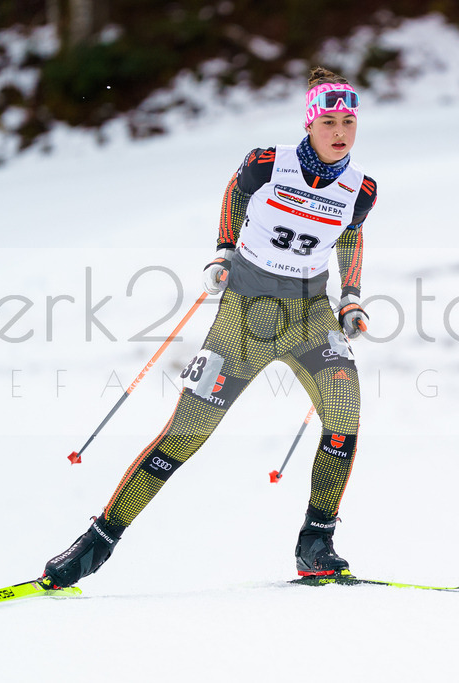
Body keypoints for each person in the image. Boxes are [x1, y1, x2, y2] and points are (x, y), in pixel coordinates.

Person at [42, 66, 377, 586]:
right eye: (329, 120)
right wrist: (223, 249)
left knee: (346, 410)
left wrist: (351, 298)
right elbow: (235, 195)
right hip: (244, 314)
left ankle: (316, 543)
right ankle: (98, 541)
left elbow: (351, 237)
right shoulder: (269, 163)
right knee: (186, 435)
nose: (340, 132)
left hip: (310, 315)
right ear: (309, 123)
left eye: (349, 122)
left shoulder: (362, 188)